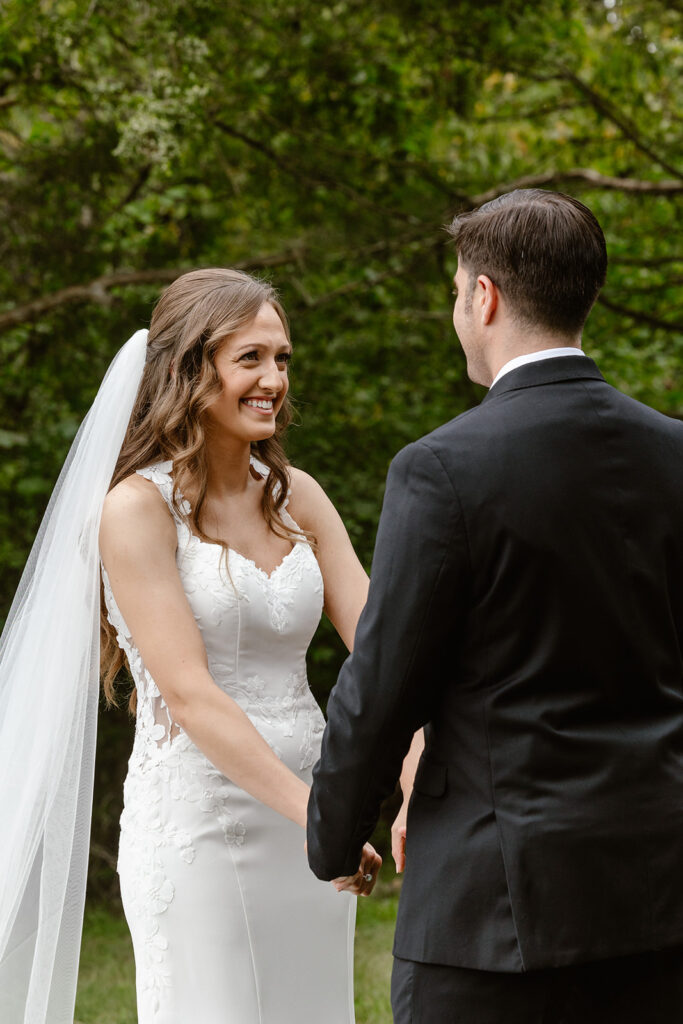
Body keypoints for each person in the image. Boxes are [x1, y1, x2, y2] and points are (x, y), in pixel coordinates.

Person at [307, 190, 683, 1024]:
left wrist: (333, 834)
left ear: (485, 297)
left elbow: (384, 681)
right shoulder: (672, 453)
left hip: (496, 911)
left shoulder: (441, 468)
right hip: (659, 895)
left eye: (452, 291)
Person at [0, 267, 380, 1024]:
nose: (273, 378)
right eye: (250, 358)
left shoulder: (297, 496)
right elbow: (189, 693)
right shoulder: (135, 511)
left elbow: (382, 642)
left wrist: (417, 752)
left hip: (313, 811)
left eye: (282, 358)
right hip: (205, 824)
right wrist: (319, 821)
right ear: (187, 368)